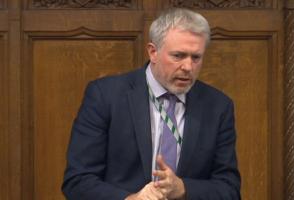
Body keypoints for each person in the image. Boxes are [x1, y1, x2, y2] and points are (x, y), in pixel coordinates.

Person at [62, 8, 241, 200]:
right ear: (153, 52)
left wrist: (183, 188)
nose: (188, 67)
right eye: (178, 56)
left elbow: (229, 189)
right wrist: (130, 199)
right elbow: (78, 180)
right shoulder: (106, 96)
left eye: (196, 57)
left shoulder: (217, 106)